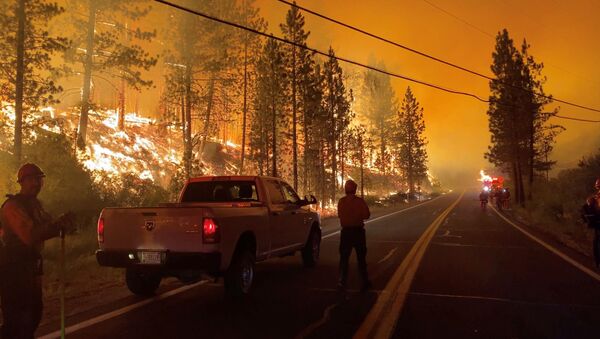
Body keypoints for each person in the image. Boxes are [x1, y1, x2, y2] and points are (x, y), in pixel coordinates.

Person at [0, 163, 75, 339]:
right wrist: (56, 227)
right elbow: (30, 235)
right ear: (22, 182)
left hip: (30, 267)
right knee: (18, 318)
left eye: (39, 179)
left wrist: (61, 225)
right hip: (13, 269)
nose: (36, 184)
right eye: (32, 179)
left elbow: (46, 226)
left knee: (33, 312)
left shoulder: (35, 205)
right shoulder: (12, 206)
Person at [337, 179, 371, 292]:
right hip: (358, 233)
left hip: (346, 233)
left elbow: (339, 215)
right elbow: (367, 215)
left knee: (344, 258)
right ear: (355, 189)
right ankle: (364, 281)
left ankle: (341, 281)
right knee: (361, 258)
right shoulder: (359, 202)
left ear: (346, 190)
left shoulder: (341, 202)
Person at [583, 178, 600, 268]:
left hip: (597, 222)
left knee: (596, 242)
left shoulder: (595, 198)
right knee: (596, 242)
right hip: (597, 222)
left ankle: (597, 261)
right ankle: (597, 261)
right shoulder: (595, 197)